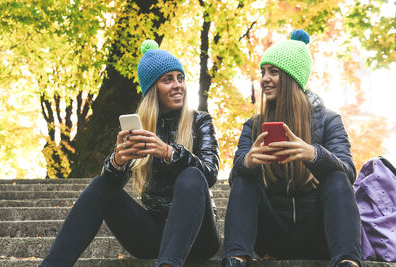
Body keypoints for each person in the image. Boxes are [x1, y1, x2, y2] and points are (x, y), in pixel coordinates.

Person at [40, 40, 221, 267]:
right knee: (100, 185)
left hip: (199, 237)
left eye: (180, 78)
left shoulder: (200, 121)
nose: (178, 85)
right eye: (168, 79)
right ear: (152, 89)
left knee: (192, 174)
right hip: (152, 234)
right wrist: (117, 162)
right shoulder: (140, 127)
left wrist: (169, 152)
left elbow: (210, 173)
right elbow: (109, 186)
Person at [221, 30, 362, 267]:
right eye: (263, 72)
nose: (264, 78)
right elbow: (235, 178)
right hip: (272, 236)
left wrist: (314, 155)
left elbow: (348, 172)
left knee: (337, 176)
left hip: (319, 235)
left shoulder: (329, 121)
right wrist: (247, 163)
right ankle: (235, 260)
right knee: (244, 177)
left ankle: (348, 262)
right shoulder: (253, 126)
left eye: (273, 72)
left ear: (291, 77)